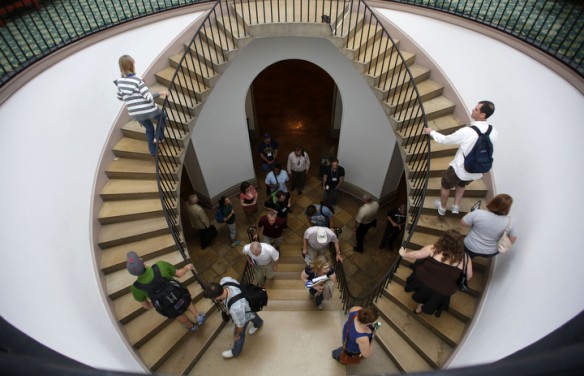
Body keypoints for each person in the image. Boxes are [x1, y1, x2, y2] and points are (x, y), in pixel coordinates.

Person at [423, 101, 498, 215]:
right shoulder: (493, 131)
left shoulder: (468, 131)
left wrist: (431, 132)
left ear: (482, 115)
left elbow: (445, 140)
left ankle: (442, 207)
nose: (473, 109)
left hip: (460, 168)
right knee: (462, 184)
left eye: (476, 109)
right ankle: (456, 206)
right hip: (476, 169)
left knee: (445, 185)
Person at [399, 229, 473, 317]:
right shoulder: (465, 259)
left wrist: (404, 254)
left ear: (443, 240)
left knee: (425, 291)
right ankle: (420, 309)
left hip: (425, 281)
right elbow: (468, 276)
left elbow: (416, 255)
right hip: (443, 290)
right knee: (434, 297)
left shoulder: (433, 248)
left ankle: (421, 302)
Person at [127, 251, 206, 332]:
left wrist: (156, 301)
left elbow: (146, 306)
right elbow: (179, 274)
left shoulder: (135, 288)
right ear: (143, 263)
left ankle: (191, 327)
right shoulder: (160, 265)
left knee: (176, 314)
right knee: (185, 299)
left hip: (168, 307)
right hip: (179, 294)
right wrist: (186, 268)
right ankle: (198, 316)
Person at [115, 55, 169, 156]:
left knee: (149, 128)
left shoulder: (119, 83)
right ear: (131, 66)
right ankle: (159, 137)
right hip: (148, 109)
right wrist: (161, 92)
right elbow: (148, 97)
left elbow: (120, 97)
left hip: (136, 113)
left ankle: (153, 151)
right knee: (163, 115)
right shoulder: (138, 80)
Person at [203, 276, 264, 359]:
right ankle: (259, 323)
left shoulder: (235, 308)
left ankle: (235, 352)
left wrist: (237, 334)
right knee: (251, 314)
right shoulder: (225, 280)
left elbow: (240, 325)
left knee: (239, 335)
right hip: (247, 305)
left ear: (216, 298)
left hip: (243, 311)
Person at [461, 193, 518, 258]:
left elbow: (464, 223)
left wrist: (470, 214)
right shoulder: (510, 222)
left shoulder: (478, 213)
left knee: (467, 256)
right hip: (490, 252)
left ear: (493, 202)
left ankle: (468, 260)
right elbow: (512, 240)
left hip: (470, 246)